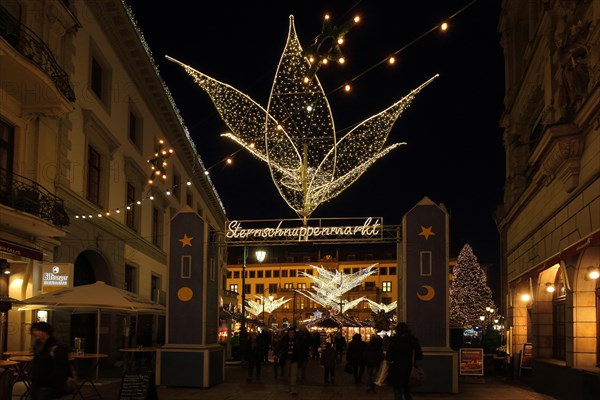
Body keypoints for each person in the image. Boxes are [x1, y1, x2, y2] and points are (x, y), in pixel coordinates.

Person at [29, 322, 70, 400]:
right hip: (37, 382)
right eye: (33, 330)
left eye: (37, 330)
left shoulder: (56, 347)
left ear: (45, 331)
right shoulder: (38, 345)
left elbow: (61, 368)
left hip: (49, 384)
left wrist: (57, 384)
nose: (34, 333)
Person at [386, 322, 423, 400]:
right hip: (409, 370)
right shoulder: (413, 341)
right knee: (407, 393)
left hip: (396, 370)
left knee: (398, 393)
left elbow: (389, 357)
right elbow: (419, 356)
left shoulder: (393, 341)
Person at [273, 327, 302, 395]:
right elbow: (278, 346)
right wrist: (275, 354)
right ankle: (287, 385)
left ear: (295, 333)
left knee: (294, 374)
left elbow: (300, 350)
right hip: (286, 359)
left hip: (294, 359)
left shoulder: (297, 340)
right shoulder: (284, 340)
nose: (291, 334)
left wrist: (301, 358)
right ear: (288, 333)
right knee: (286, 374)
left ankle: (293, 388)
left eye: (293, 333)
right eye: (290, 332)